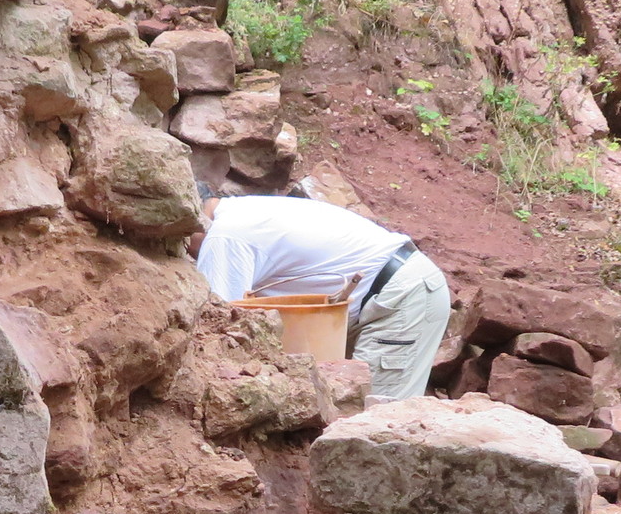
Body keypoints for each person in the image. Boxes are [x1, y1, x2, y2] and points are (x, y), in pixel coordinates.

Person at [188, 165, 453, 401]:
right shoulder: (243, 213)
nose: (184, 252)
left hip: (399, 300)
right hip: (386, 292)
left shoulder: (224, 236)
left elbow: (219, 331)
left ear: (191, 217)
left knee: (376, 420)